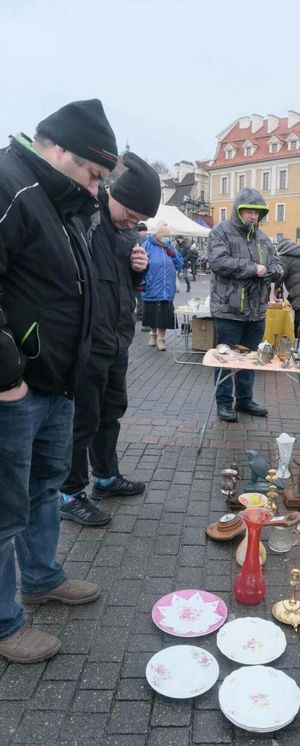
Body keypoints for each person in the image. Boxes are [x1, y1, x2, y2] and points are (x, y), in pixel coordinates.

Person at [0, 99, 118, 663]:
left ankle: (42, 577)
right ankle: (4, 625)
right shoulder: (11, 185)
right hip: (14, 391)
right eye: (94, 174)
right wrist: (6, 377)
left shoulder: (60, 200)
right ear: (60, 150)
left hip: (55, 385)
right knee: (3, 510)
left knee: (43, 488)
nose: (97, 189)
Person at [60, 153, 161, 528]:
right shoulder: (86, 217)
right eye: (132, 214)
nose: (134, 222)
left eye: (140, 220)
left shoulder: (125, 233)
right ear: (116, 194)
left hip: (117, 340)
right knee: (83, 419)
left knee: (111, 412)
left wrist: (139, 271)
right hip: (87, 341)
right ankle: (69, 493)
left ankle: (105, 477)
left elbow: (126, 285)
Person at [208, 187, 283, 422]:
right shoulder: (220, 232)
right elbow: (218, 261)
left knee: (250, 358)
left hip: (256, 311)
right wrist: (252, 268)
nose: (253, 216)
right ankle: (224, 403)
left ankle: (244, 400)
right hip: (229, 310)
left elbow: (277, 263)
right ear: (238, 211)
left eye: (257, 212)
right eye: (249, 211)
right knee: (225, 358)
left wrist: (275, 271)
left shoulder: (264, 239)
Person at [142, 223, 183, 350]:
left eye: (168, 236)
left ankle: (161, 339)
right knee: (152, 313)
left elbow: (179, 264)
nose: (167, 238)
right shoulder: (147, 245)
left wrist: (173, 255)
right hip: (152, 286)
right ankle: (153, 334)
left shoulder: (169, 246)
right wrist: (143, 282)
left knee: (163, 315)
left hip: (167, 287)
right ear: (158, 235)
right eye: (164, 236)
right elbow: (140, 265)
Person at [135, 222, 148, 324]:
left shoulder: (133, 236)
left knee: (138, 295)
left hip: (134, 269)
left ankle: (139, 313)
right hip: (143, 270)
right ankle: (142, 314)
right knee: (142, 295)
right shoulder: (145, 239)